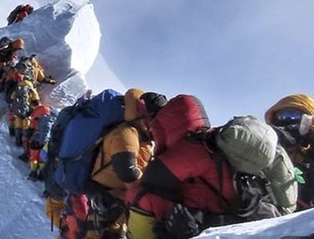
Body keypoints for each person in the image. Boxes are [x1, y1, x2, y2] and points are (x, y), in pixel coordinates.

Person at [126, 94, 237, 239]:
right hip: (217, 208)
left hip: (214, 216)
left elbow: (153, 178)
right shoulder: (205, 141)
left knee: (140, 196)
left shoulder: (191, 147)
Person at [89, 89, 167, 237]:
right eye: (154, 119)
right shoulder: (127, 133)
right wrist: (149, 200)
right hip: (104, 200)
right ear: (142, 113)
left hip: (115, 203)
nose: (156, 125)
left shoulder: (142, 140)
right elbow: (127, 172)